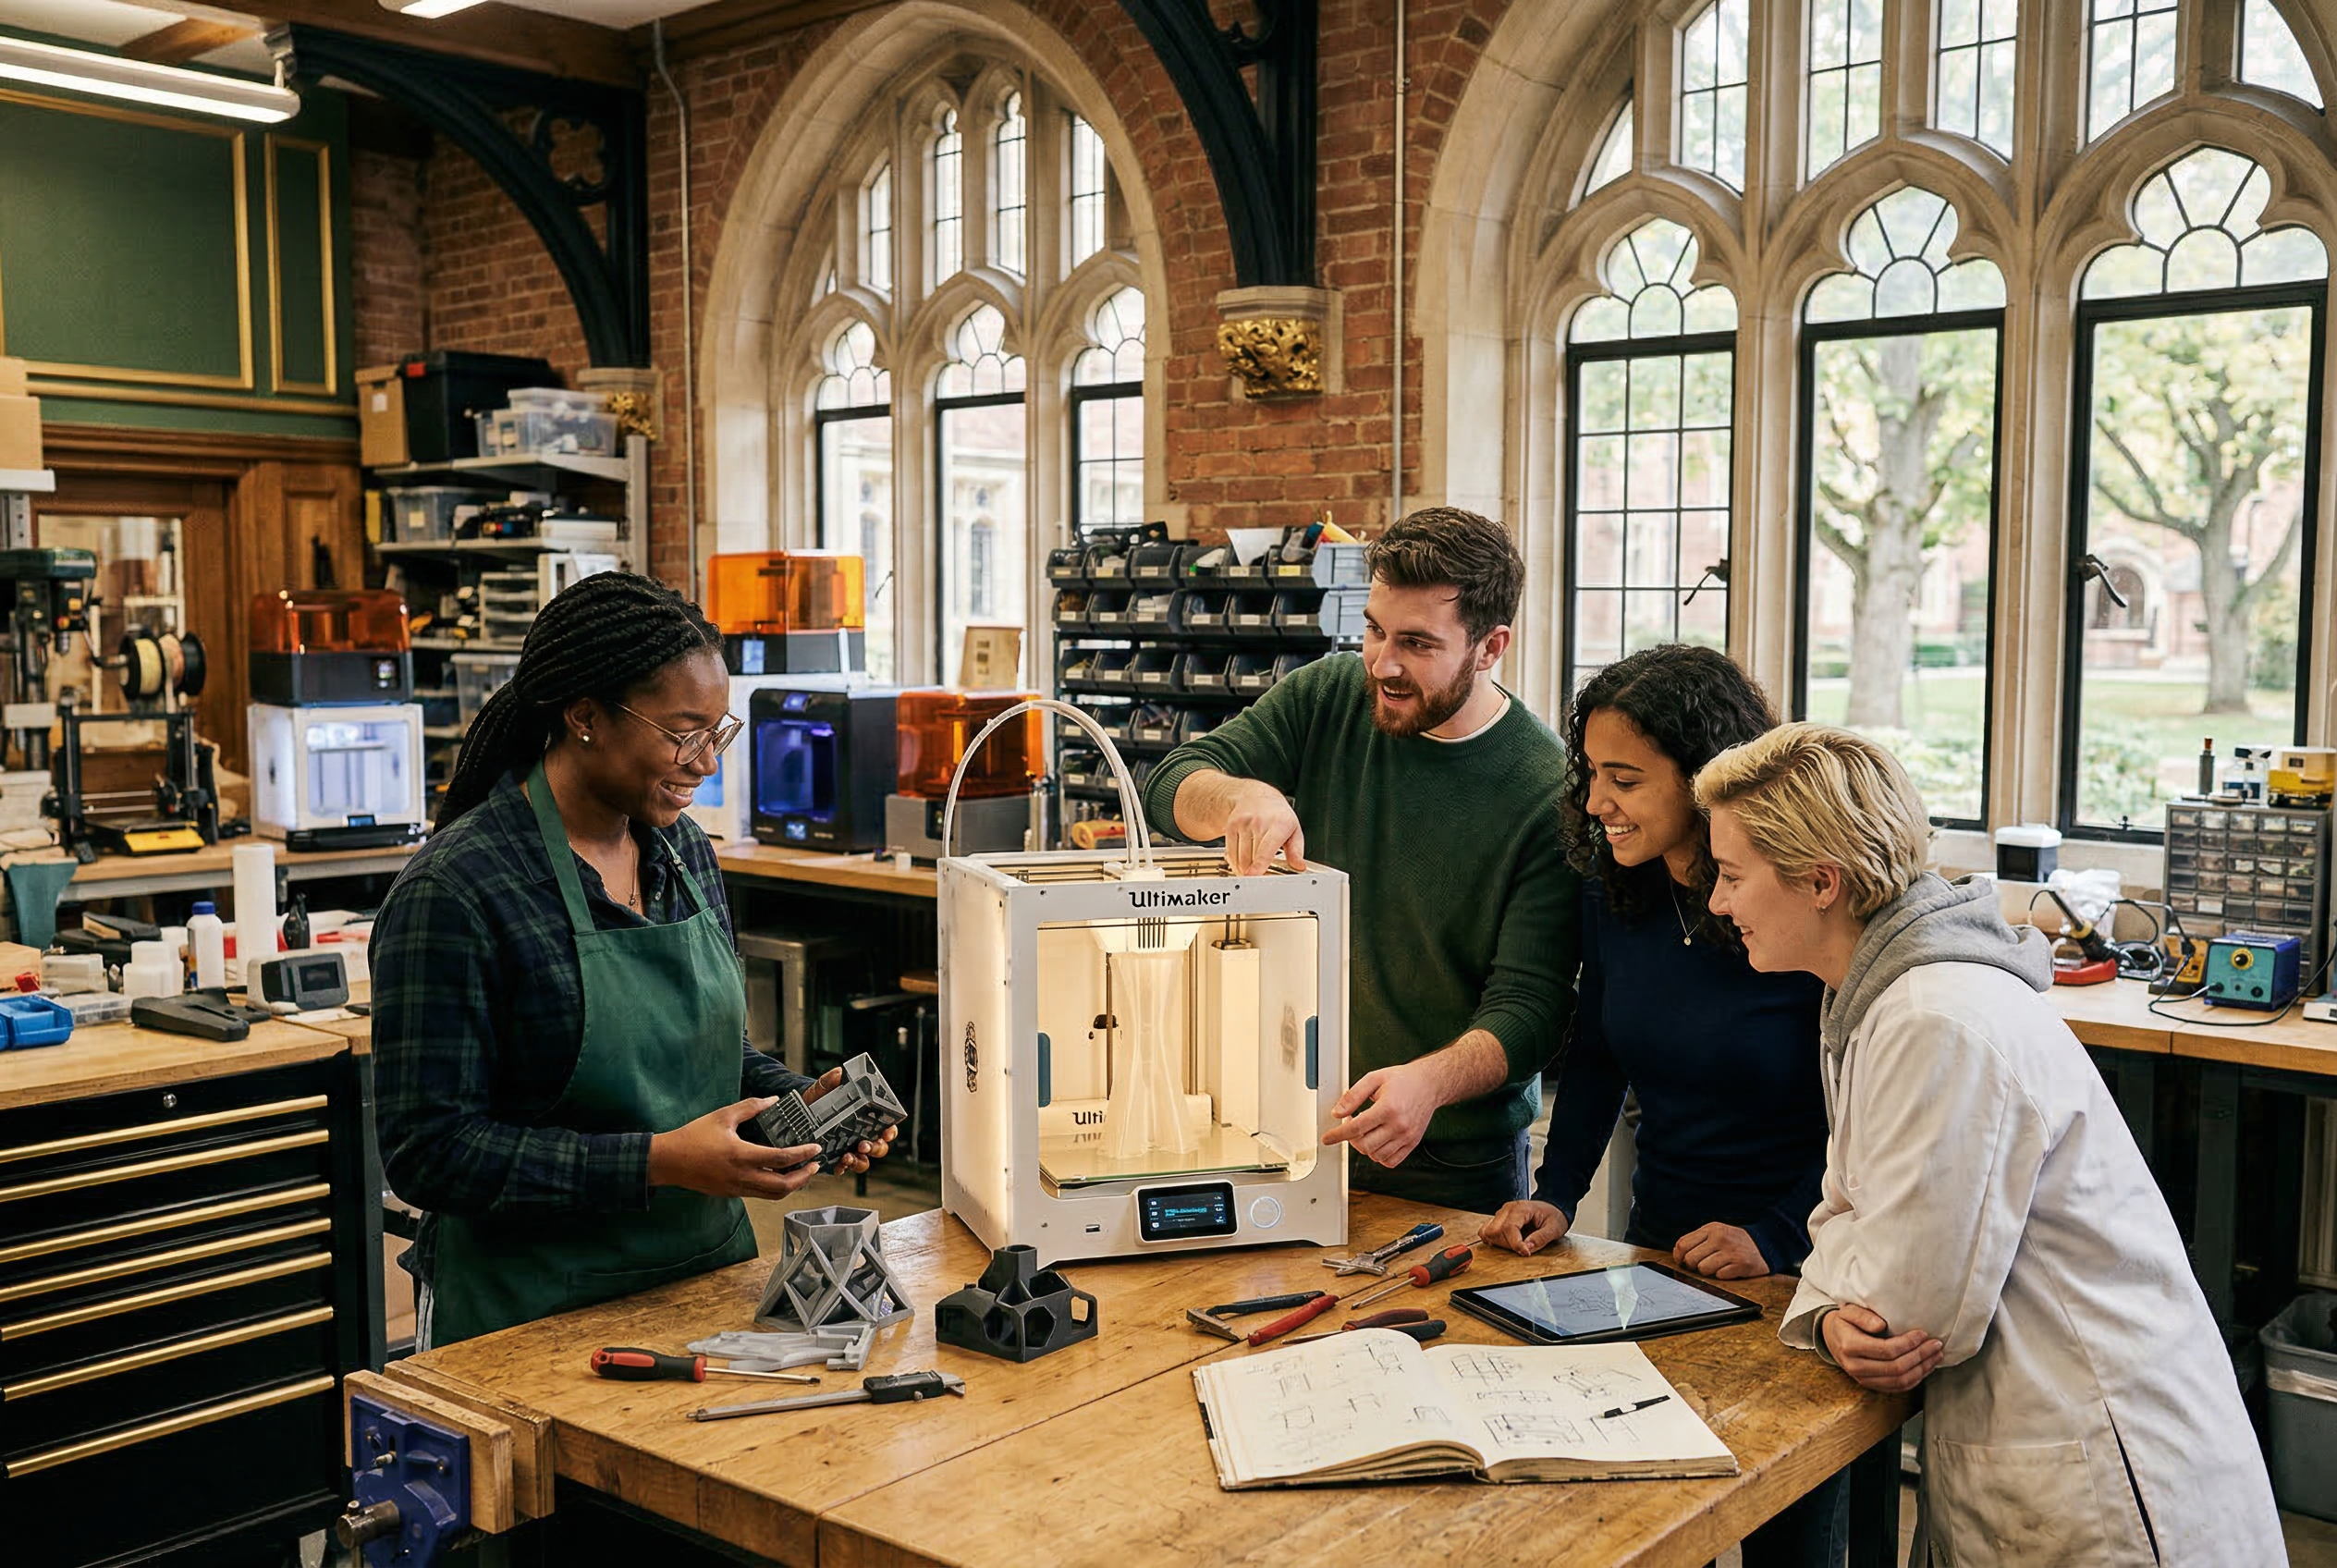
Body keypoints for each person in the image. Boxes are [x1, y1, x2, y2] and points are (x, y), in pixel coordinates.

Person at [1696, 722, 2282, 1566]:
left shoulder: (1936, 1020)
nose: (1718, 903)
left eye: (1731, 875)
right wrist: (1831, 1303)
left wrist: (1827, 1307)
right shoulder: (1878, 999)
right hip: (2034, 1450)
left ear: (1821, 882)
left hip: (2101, 1476)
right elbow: (1843, 1213)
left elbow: (1905, 1316)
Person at [373, 573, 895, 1348]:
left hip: (706, 1292)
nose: (705, 764)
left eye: (718, 733)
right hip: (530, 1320)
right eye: (684, 733)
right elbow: (430, 1155)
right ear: (584, 716)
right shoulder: (458, 891)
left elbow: (711, 1056)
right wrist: (657, 1162)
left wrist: (797, 1106)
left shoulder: (682, 851)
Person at [1477, 644, 1841, 1568]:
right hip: (1660, 1248)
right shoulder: (1617, 890)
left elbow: (1865, 1119)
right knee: (1647, 1519)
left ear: (1709, 774)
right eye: (1591, 774)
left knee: (1786, 1535)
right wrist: (1555, 1193)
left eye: (1625, 778)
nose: (1597, 802)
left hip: (1803, 1263)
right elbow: (1596, 1050)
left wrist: (1773, 1234)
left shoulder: (1792, 905)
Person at [1141, 507, 1574, 1214]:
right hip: (1283, 1129)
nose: (1383, 663)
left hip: (1447, 1161)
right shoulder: (1331, 694)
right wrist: (1237, 797)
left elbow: (1532, 1007)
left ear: (1491, 647)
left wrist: (1427, 1084)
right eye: (1374, 630)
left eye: (1416, 643)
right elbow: (1171, 781)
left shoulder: (1543, 789)